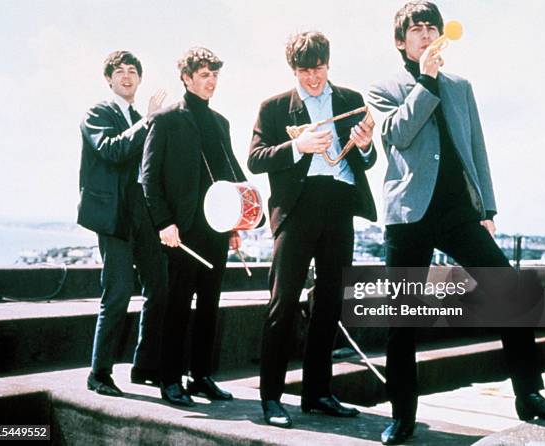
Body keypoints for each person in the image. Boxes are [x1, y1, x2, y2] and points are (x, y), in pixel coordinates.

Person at [367, 2, 545, 444]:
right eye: (417, 30)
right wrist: (425, 79)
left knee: (512, 291)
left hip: (458, 213)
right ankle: (402, 415)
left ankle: (530, 395)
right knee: (401, 319)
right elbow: (396, 134)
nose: (427, 35)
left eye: (432, 28)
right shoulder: (383, 87)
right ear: (400, 42)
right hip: (408, 215)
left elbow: (477, 148)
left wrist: (486, 210)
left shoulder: (461, 86)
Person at [248, 31, 377, 428]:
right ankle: (271, 398)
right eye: (304, 72)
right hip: (296, 210)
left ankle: (318, 393)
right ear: (293, 70)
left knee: (330, 303)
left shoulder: (352, 102)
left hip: (339, 204)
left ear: (328, 63)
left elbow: (367, 161)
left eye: (319, 69)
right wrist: (296, 147)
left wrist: (367, 145)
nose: (313, 79)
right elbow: (254, 159)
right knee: (282, 301)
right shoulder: (273, 109)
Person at [142, 47, 248, 407]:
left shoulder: (221, 123)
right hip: (180, 234)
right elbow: (148, 179)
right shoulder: (166, 119)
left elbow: (230, 175)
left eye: (215, 74)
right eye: (204, 75)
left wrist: (237, 223)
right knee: (176, 307)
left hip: (215, 230)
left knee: (209, 307)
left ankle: (201, 376)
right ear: (186, 78)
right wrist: (164, 223)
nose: (211, 81)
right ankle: (170, 380)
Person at [78, 50, 167, 396]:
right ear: (109, 79)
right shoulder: (98, 113)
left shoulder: (146, 118)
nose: (127, 77)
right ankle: (99, 374)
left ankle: (144, 367)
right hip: (114, 218)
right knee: (116, 294)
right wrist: (147, 121)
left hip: (143, 215)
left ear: (140, 79)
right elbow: (112, 150)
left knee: (160, 286)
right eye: (120, 72)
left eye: (133, 71)